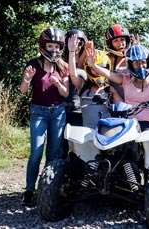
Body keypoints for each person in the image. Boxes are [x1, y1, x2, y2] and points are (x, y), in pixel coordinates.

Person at [20, 27, 69, 206]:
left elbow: (65, 93)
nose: (54, 50)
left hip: (58, 111)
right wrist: (26, 78)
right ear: (43, 46)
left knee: (53, 153)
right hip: (38, 112)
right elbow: (23, 91)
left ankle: (46, 188)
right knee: (36, 152)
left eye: (57, 47)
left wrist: (58, 85)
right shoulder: (33, 64)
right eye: (50, 46)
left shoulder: (63, 67)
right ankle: (29, 189)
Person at [86, 44, 149, 131]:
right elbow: (108, 74)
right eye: (136, 63)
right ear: (131, 64)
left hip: (147, 122)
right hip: (128, 122)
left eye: (143, 62)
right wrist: (93, 65)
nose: (140, 66)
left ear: (148, 62)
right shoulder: (126, 79)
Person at [67, 34, 122, 128]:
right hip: (87, 133)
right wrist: (71, 51)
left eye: (101, 68)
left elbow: (122, 107)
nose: (97, 72)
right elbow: (73, 74)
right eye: (93, 68)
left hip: (106, 133)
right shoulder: (83, 86)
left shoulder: (109, 89)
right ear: (88, 69)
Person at [60, 29, 88, 158]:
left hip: (79, 109)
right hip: (61, 108)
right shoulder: (61, 60)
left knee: (78, 148)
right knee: (60, 147)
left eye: (80, 43)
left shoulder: (86, 63)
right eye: (73, 43)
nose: (77, 46)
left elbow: (75, 72)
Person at [104, 24, 131, 100]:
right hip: (114, 102)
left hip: (133, 102)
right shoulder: (107, 58)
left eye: (122, 39)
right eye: (116, 40)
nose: (120, 43)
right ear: (110, 43)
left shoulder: (133, 57)